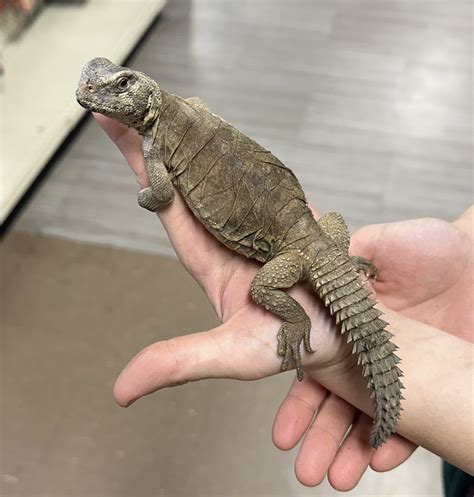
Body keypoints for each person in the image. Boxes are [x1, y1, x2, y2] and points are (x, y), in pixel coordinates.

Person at [93, 113, 473, 491]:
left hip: (300, 252)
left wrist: (298, 319)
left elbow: (158, 194)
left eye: (121, 84)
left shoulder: (165, 136)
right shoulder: (190, 114)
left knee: (261, 288)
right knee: (331, 228)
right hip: (319, 238)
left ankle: (298, 321)